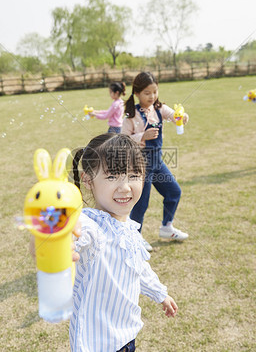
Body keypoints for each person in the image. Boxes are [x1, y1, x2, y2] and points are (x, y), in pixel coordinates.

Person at [70, 133, 178, 352]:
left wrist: (160, 293)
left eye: (133, 175)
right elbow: (74, 232)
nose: (125, 187)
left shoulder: (127, 224)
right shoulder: (92, 226)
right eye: (112, 177)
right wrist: (61, 239)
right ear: (88, 180)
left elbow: (137, 267)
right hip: (97, 344)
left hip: (126, 336)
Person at [121, 72, 189, 251]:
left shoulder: (159, 109)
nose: (152, 96)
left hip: (157, 161)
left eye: (154, 91)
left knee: (174, 192)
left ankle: (167, 227)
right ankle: (135, 237)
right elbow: (122, 139)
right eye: (147, 93)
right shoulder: (131, 115)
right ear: (137, 93)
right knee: (141, 203)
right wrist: (141, 136)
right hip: (140, 163)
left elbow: (174, 116)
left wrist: (181, 116)